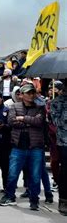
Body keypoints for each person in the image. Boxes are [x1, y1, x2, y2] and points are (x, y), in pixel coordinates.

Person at [0, 83, 46, 211]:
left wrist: (23, 118)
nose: (31, 95)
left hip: (35, 146)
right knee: (13, 174)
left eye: (32, 92)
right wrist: (30, 121)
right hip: (18, 146)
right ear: (21, 95)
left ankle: (34, 200)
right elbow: (12, 122)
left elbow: (39, 122)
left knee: (35, 176)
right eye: (28, 93)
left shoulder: (40, 107)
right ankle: (10, 196)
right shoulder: (14, 106)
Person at [50, 81, 67, 216]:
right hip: (64, 141)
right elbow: (56, 122)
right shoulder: (57, 102)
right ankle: (63, 200)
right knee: (65, 170)